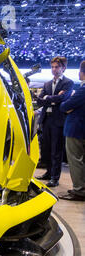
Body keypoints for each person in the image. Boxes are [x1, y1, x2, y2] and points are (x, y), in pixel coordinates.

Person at [35, 56, 74, 187]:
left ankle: (55, 177)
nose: (54, 69)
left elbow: (63, 98)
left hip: (58, 121)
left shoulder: (68, 83)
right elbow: (40, 100)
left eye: (57, 67)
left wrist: (49, 98)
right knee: (46, 148)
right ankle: (48, 172)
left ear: (63, 68)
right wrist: (52, 98)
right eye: (52, 67)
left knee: (56, 150)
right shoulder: (46, 84)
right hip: (46, 120)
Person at [58, 60, 85, 201]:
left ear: (81, 72)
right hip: (80, 129)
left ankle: (79, 190)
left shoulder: (82, 89)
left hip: (76, 130)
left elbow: (64, 106)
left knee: (75, 160)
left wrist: (65, 102)